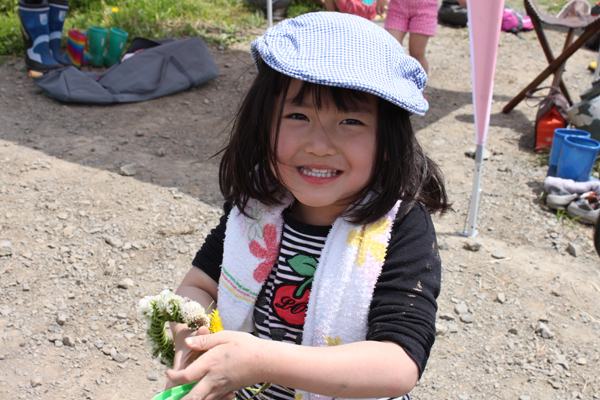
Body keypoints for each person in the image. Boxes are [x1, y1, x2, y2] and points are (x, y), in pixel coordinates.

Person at [166, 12, 449, 400]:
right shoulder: (256, 207)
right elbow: (197, 286)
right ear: (263, 125)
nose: (319, 144)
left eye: (350, 121)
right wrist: (191, 344)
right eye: (297, 115)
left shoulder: (399, 226)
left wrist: (262, 361)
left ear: (389, 141)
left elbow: (398, 363)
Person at [375, 0, 438, 74]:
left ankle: (420, 84)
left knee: (417, 54)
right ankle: (390, 82)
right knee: (389, 50)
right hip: (398, 6)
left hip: (426, 7)